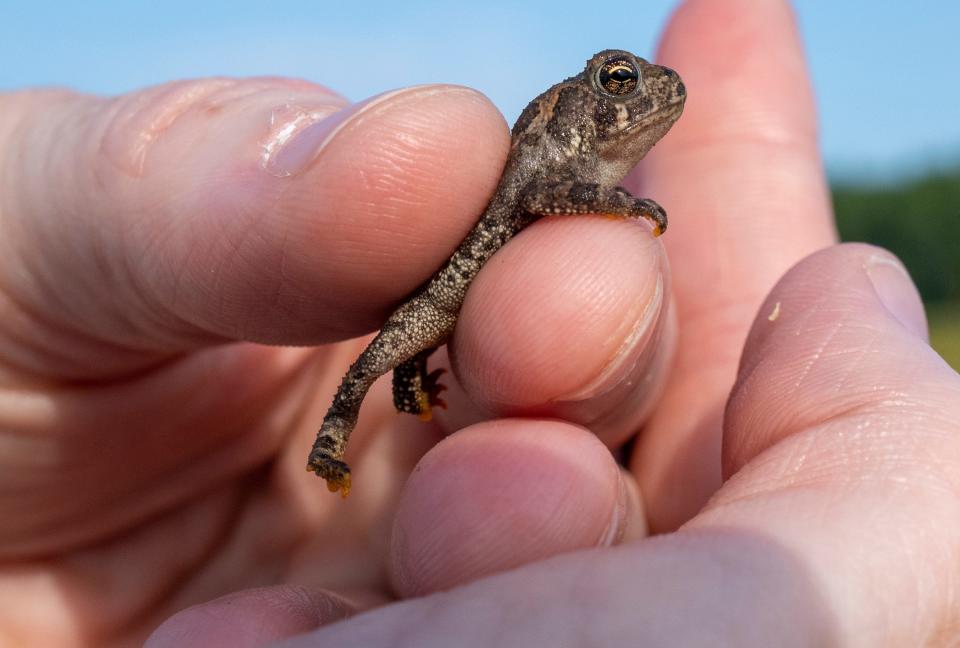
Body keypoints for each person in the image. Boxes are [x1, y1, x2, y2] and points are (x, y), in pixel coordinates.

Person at [1, 0, 957, 645]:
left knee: (511, 362)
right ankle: (333, 444)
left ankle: (404, 405)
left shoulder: (609, 179)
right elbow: (538, 189)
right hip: (464, 251)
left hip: (497, 296)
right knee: (397, 343)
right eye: (620, 83)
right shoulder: (552, 155)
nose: (641, 98)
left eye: (637, 88)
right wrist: (614, 208)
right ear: (583, 104)